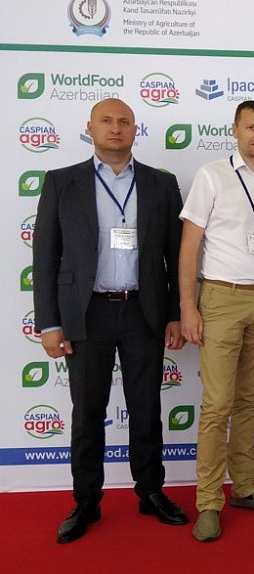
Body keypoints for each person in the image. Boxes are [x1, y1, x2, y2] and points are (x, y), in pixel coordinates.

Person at [33, 98, 188, 543]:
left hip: (144, 311)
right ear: (90, 128)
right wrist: (49, 323)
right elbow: (45, 258)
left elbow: (176, 256)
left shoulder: (161, 183)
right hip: (86, 313)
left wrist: (175, 314)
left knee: (147, 408)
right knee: (87, 412)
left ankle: (151, 491)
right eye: (106, 120)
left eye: (124, 121)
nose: (115, 128)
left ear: (135, 129)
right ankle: (86, 500)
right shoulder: (62, 181)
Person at [179, 100, 254, 542]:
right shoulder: (212, 175)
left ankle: (245, 488)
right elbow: (189, 246)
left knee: (249, 400)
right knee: (217, 406)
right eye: (251, 127)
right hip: (222, 299)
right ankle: (209, 501)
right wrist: (188, 307)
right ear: (235, 130)